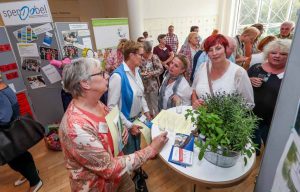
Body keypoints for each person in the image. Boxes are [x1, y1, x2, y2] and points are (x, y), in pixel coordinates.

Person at [59, 58, 168, 191]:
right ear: (85, 83)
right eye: (101, 73)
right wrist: (151, 149)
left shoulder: (97, 104)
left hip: (118, 177)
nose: (108, 76)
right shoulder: (75, 127)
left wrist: (121, 132)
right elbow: (109, 168)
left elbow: (109, 128)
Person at [248, 39, 291, 155]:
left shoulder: (290, 75)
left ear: (289, 56)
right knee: (252, 149)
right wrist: (249, 80)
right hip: (251, 116)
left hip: (274, 120)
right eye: (273, 53)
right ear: (268, 54)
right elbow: (241, 87)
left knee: (272, 151)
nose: (277, 56)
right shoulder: (255, 68)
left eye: (283, 54)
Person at [108, 40, 152, 155]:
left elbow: (140, 94)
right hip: (125, 123)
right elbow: (112, 107)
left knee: (137, 148)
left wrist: (146, 111)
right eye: (141, 55)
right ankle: (132, 173)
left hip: (137, 119)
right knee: (129, 153)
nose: (143, 58)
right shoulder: (118, 76)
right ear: (131, 55)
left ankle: (137, 171)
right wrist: (129, 125)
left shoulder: (136, 71)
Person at [0, 74, 43, 192]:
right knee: (20, 155)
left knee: (15, 159)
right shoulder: (3, 86)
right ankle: (30, 174)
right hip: (13, 132)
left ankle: (35, 182)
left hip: (8, 132)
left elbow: (4, 117)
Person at [192, 34, 254, 109]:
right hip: (200, 117)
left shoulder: (239, 73)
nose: (214, 53)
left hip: (225, 120)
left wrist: (221, 112)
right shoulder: (203, 67)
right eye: (210, 50)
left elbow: (248, 104)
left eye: (218, 48)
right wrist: (195, 102)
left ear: (226, 49)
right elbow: (193, 90)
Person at [140, 41, 164, 117]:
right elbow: (139, 69)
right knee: (147, 103)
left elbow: (161, 69)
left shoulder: (154, 57)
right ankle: (150, 117)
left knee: (155, 104)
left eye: (142, 49)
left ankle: (158, 118)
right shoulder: (140, 58)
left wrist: (152, 73)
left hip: (153, 85)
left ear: (147, 50)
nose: (141, 51)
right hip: (144, 85)